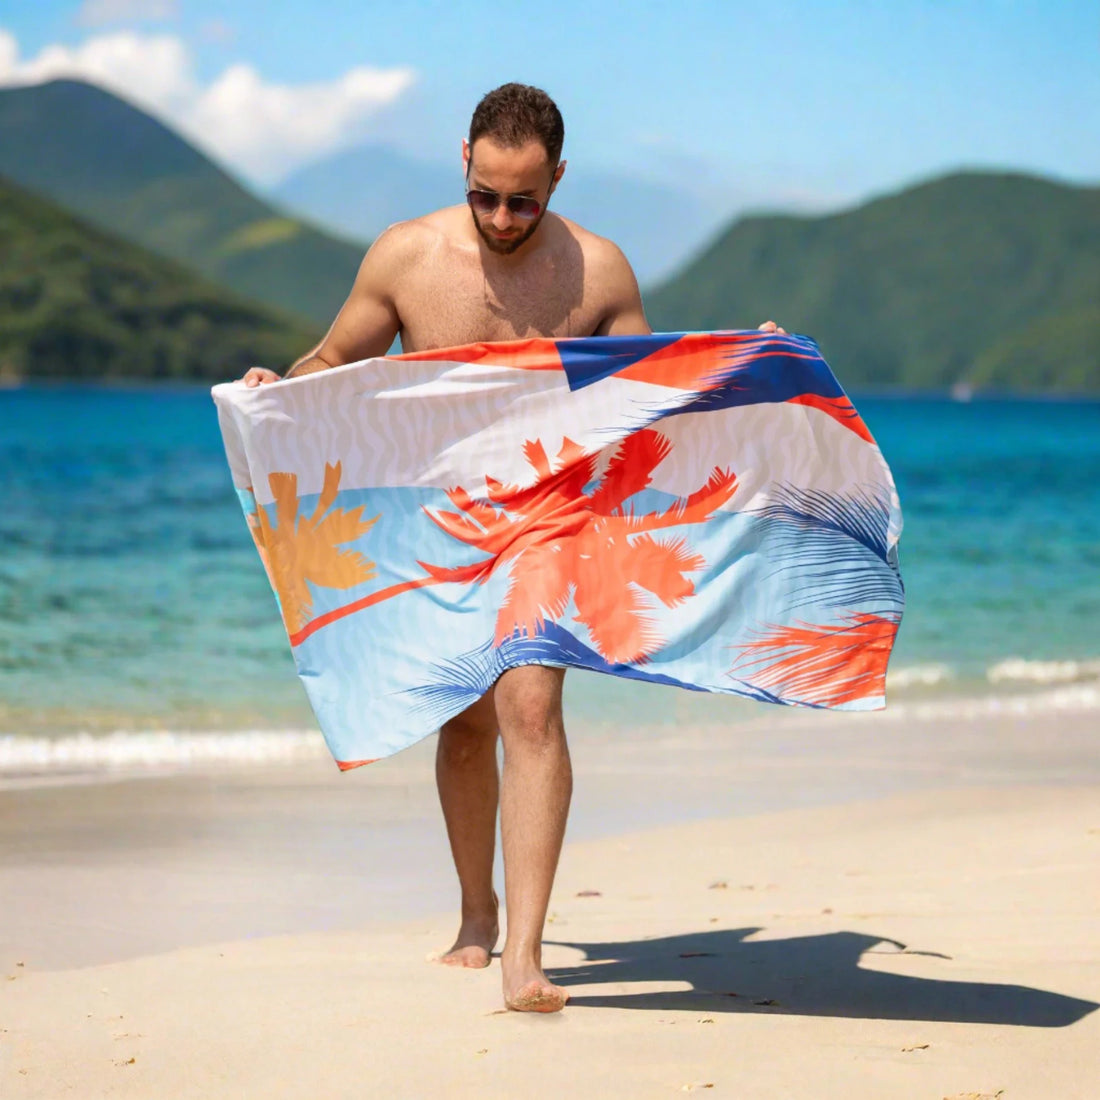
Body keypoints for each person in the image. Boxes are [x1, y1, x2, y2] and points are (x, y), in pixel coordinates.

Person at [241, 82, 784, 1013]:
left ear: (558, 179)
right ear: (465, 161)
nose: (501, 216)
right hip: (439, 520)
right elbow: (333, 364)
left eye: (524, 199)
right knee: (466, 721)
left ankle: (524, 955)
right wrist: (278, 388)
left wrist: (750, 370)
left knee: (529, 702)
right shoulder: (408, 257)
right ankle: (475, 915)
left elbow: (644, 399)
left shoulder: (599, 271)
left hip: (549, 516)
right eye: (487, 194)